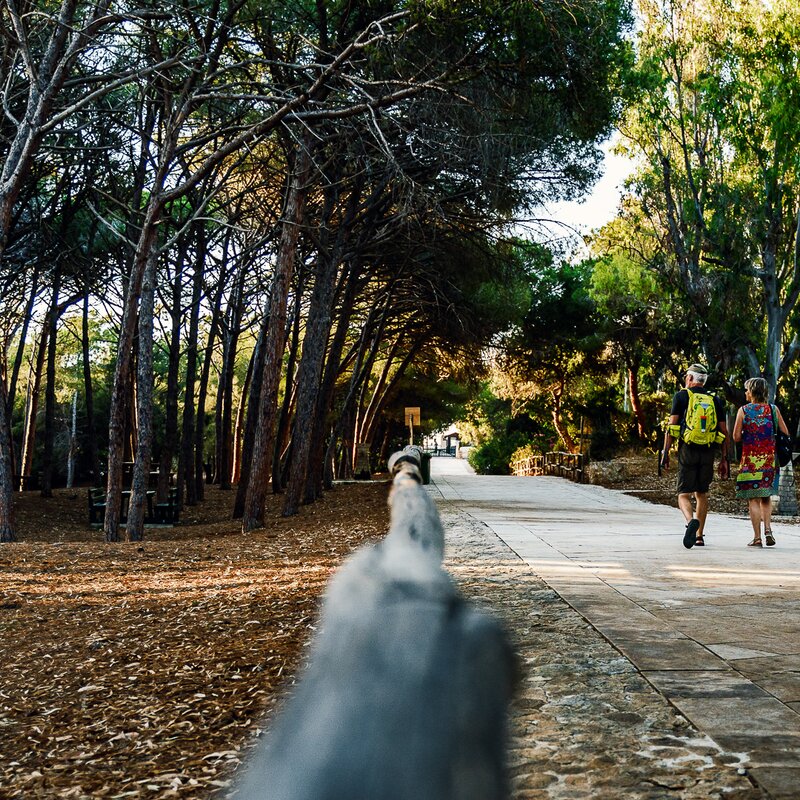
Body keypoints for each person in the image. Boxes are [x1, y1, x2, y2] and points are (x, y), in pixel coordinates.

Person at [661, 363, 729, 549]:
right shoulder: (715, 400)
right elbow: (724, 431)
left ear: (690, 378)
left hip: (687, 450)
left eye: (686, 377)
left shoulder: (681, 396)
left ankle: (690, 521)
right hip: (708, 450)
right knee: (702, 493)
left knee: (683, 494)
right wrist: (724, 459)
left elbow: (672, 427)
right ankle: (699, 536)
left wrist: (665, 453)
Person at [732, 377, 789, 547]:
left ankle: (757, 538)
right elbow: (785, 432)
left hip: (750, 462)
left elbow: (735, 437)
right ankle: (768, 530)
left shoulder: (743, 410)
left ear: (752, 392)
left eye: (747, 390)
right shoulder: (773, 410)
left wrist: (750, 436)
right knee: (766, 497)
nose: (745, 393)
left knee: (753, 499)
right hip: (770, 461)